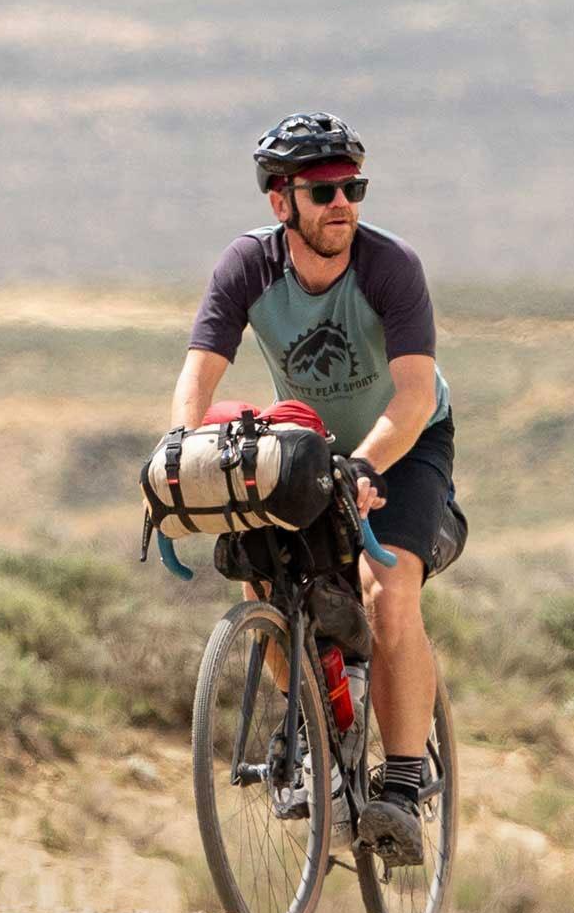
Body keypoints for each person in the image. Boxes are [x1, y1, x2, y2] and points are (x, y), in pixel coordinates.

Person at [169, 112, 466, 866]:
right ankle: (312, 731)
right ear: (281, 203)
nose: (343, 203)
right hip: (307, 445)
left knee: (385, 588)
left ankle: (401, 781)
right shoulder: (249, 265)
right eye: (324, 189)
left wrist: (367, 466)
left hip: (407, 444)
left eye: (353, 187)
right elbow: (201, 368)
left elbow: (412, 396)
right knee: (257, 574)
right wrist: (179, 450)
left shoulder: (389, 266)